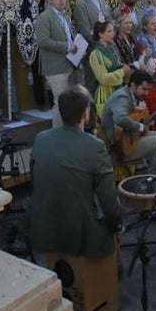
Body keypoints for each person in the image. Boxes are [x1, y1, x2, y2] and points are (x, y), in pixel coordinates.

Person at [28, 85, 122, 258]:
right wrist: (117, 227)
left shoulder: (41, 139)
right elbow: (109, 201)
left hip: (43, 232)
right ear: (86, 114)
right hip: (80, 238)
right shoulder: (95, 147)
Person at [34, 0, 79, 128]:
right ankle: (58, 134)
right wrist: (66, 47)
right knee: (60, 102)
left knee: (70, 101)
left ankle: (70, 131)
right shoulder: (44, 17)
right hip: (55, 67)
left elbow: (69, 37)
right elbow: (43, 41)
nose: (61, 0)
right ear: (50, 0)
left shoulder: (65, 16)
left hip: (69, 63)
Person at [102, 70, 156, 166]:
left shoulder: (129, 94)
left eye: (148, 90)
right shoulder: (123, 97)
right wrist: (139, 127)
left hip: (127, 137)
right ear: (133, 85)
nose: (147, 93)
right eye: (144, 89)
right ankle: (155, 179)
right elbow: (120, 119)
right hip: (118, 148)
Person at [89, 20, 136, 120]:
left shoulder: (112, 48)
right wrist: (122, 71)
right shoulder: (96, 54)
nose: (113, 34)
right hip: (105, 93)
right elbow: (103, 78)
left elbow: (118, 66)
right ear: (100, 34)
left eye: (113, 31)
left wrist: (127, 72)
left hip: (118, 90)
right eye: (109, 31)